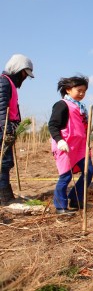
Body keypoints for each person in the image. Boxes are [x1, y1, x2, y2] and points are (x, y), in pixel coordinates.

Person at [48, 76, 93, 214]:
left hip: (80, 146)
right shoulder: (62, 105)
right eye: (79, 90)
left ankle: (75, 198)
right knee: (66, 176)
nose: (82, 93)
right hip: (65, 145)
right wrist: (59, 140)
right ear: (68, 90)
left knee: (88, 171)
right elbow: (53, 125)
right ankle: (60, 206)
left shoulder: (81, 107)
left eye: (84, 91)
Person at [0, 54, 34, 206]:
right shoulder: (4, 83)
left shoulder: (9, 84)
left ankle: (6, 194)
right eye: (24, 74)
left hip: (7, 128)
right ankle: (3, 197)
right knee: (3, 162)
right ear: (18, 70)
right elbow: (1, 109)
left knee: (6, 162)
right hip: (3, 129)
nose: (25, 78)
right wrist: (6, 130)